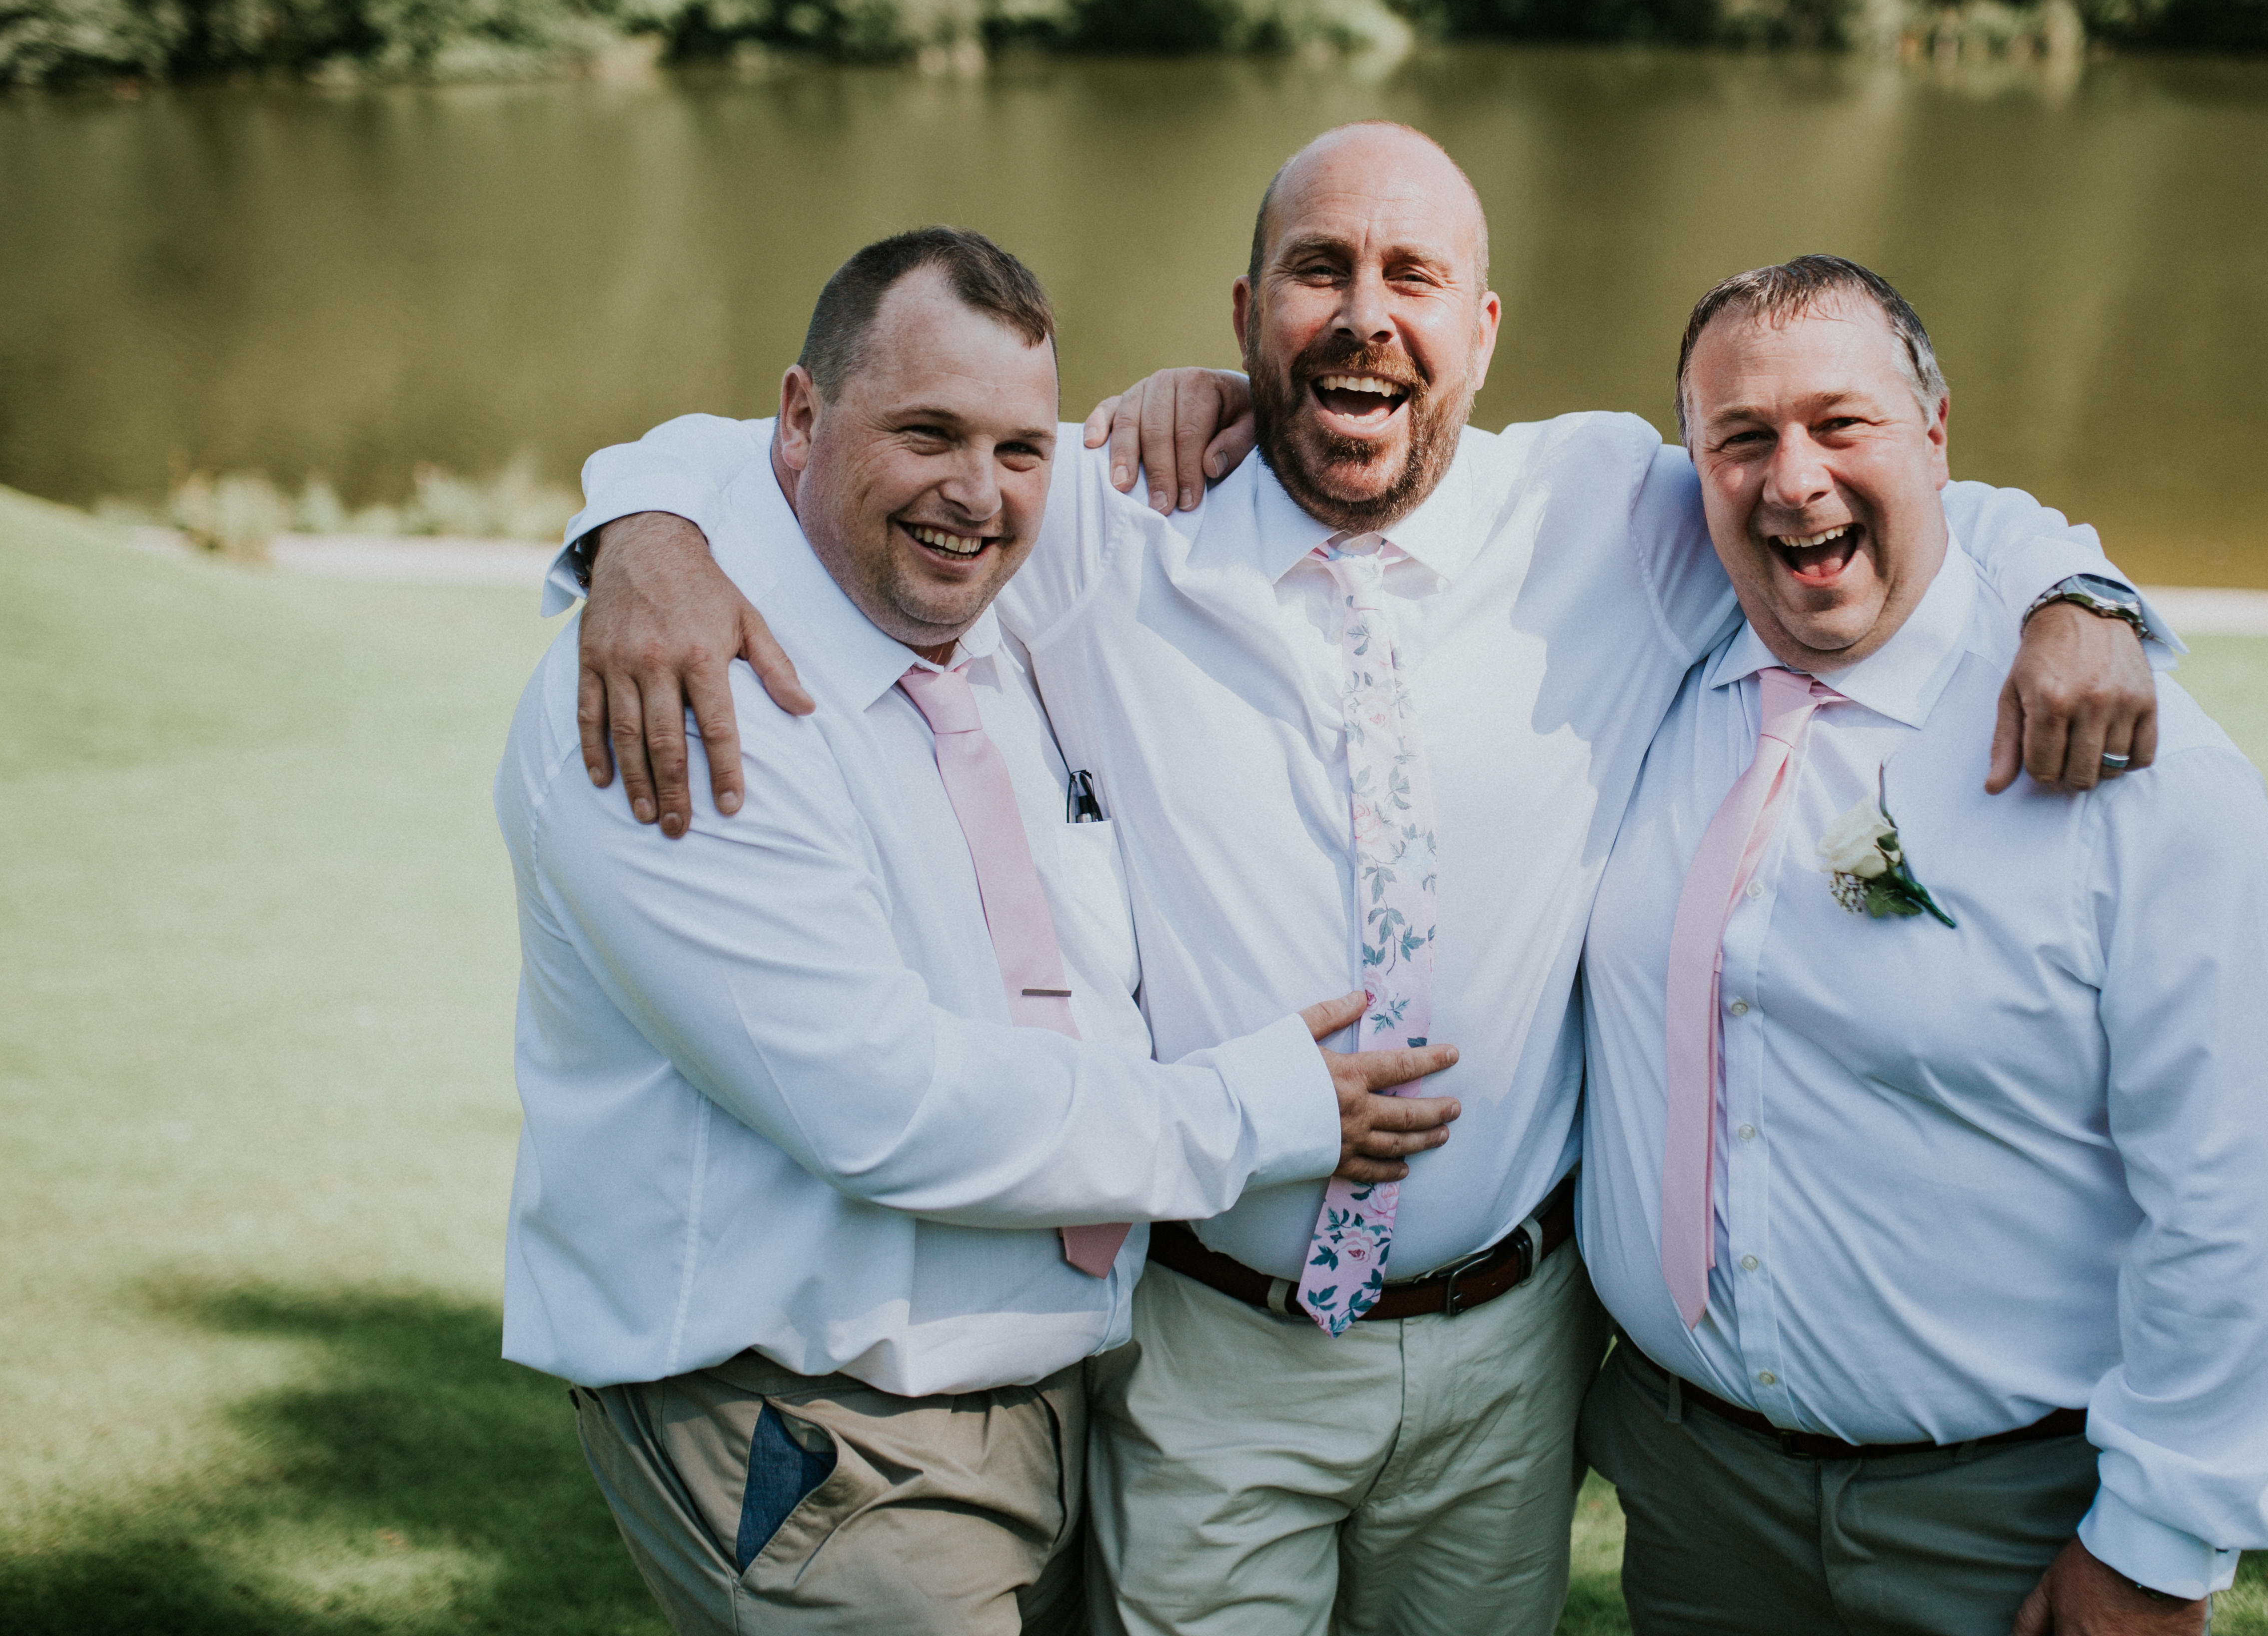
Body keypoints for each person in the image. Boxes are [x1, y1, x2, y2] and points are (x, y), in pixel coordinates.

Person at [551, 122, 2169, 1636]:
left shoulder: (1619, 516)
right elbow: (848, 438)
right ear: (1250, 315)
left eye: (1409, 280)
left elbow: (1898, 493)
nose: (1362, 314)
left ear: (1480, 327)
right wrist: (645, 523)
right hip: (1210, 1342)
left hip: (1508, 1355)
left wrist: (2080, 588)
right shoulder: (1108, 522)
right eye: (1320, 272)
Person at [496, 224, 1464, 1636]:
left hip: (1053, 1406)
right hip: (818, 1429)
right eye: (927, 434)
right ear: (799, 420)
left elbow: (1056, 460)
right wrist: (1260, 1108)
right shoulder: (687, 699)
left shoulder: (985, 627)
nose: (980, 492)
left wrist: (1221, 390)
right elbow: (879, 1102)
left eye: (1020, 450)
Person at [1573, 255, 2268, 1636]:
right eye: (1740, 439)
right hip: (1694, 1496)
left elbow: (2235, 1200)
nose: (1791, 478)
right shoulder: (1657, 665)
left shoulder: (2133, 761)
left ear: (1934, 434)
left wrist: (2155, 1547)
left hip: (2001, 1521)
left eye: (1839, 423)